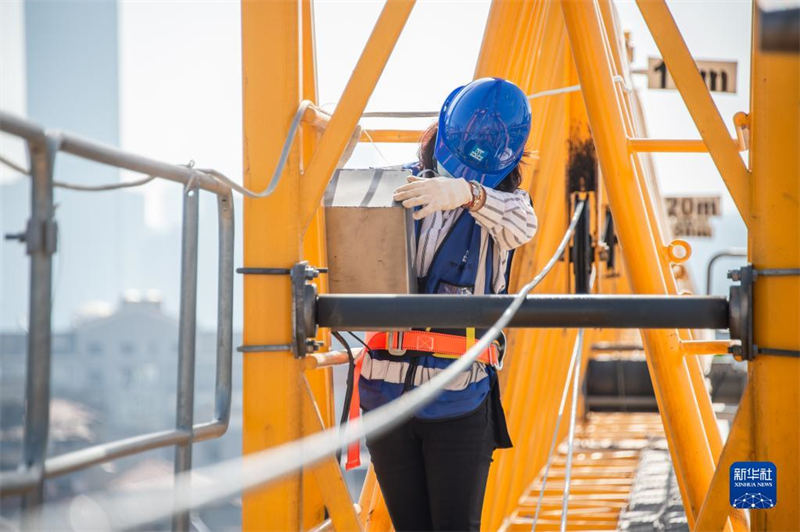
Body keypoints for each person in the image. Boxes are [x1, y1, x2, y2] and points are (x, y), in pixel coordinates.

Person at [356, 78, 538, 531]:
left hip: (459, 400)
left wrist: (470, 194)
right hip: (385, 396)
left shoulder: (504, 207)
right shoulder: (398, 185)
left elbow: (523, 226)